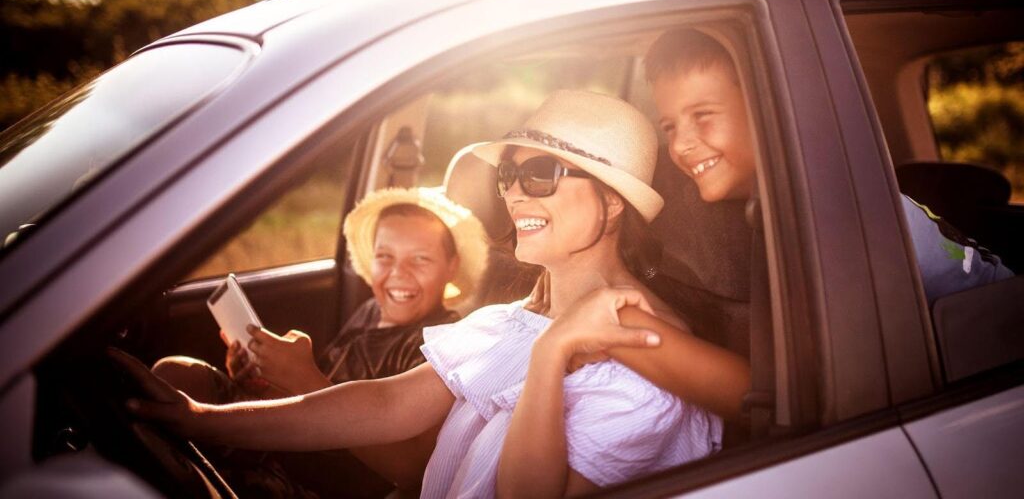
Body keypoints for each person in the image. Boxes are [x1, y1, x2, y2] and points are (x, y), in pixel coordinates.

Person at [115, 90, 731, 498]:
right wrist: (204, 420)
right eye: (509, 175)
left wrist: (553, 358)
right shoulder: (511, 321)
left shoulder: (639, 345)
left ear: (613, 201)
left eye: (541, 174)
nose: (516, 194)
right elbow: (384, 407)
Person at [151, 187, 489, 497]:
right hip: (292, 445)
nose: (398, 273)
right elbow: (312, 397)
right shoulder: (371, 310)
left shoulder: (446, 341)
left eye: (420, 259)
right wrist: (264, 383)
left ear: (451, 267)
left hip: (326, 483)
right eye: (385, 256)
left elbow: (412, 470)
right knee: (176, 375)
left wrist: (302, 376)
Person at [644, 27, 1014, 306]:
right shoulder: (744, 211)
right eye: (669, 126)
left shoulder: (844, 213)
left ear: (765, 110)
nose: (680, 144)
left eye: (703, 115)